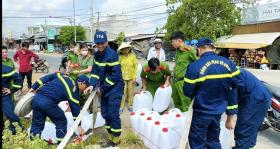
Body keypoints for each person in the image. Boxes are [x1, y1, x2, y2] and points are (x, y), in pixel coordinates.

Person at [183, 37, 244, 148]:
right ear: (214, 49)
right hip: (218, 113)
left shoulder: (194, 66)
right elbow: (238, 83)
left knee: (197, 143)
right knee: (213, 141)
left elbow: (187, 91)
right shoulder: (228, 63)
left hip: (201, 112)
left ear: (199, 49)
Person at [84, 31, 124, 147]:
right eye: (97, 44)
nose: (100, 46)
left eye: (102, 43)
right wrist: (92, 84)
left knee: (112, 114)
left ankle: (115, 140)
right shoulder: (97, 55)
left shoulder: (112, 55)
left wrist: (102, 88)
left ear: (106, 42)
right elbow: (95, 72)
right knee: (105, 114)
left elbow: (115, 76)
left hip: (115, 89)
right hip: (104, 88)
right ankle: (110, 135)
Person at [29, 73, 88, 144]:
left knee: (37, 124)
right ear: (82, 83)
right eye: (86, 86)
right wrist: (79, 126)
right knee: (61, 121)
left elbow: (47, 77)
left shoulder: (63, 75)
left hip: (36, 98)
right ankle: (61, 144)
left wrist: (33, 87)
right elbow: (75, 110)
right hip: (48, 103)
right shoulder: (74, 90)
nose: (85, 89)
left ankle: (33, 144)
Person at [226, 68, 272, 149]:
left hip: (255, 99)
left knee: (243, 131)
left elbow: (232, 99)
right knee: (252, 129)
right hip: (261, 96)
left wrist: (229, 119)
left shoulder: (228, 75)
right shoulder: (230, 67)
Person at [170, 31, 198, 112]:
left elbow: (198, 63)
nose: (172, 44)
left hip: (183, 82)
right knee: (176, 102)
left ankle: (186, 123)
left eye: (173, 42)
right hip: (175, 81)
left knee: (186, 104)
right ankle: (179, 120)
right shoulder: (178, 51)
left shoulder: (190, 50)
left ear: (179, 40)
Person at [2, 64, 23, 135]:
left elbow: (19, 79)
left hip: (4, 97)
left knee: (11, 114)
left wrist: (12, 90)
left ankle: (15, 131)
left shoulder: (6, 69)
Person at [117, 42, 138, 113]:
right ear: (122, 50)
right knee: (123, 92)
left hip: (131, 77)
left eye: (126, 48)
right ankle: (121, 107)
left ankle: (130, 105)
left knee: (131, 92)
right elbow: (117, 67)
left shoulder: (132, 56)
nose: (125, 50)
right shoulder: (120, 57)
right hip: (122, 77)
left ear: (128, 49)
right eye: (124, 49)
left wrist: (134, 77)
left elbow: (135, 67)